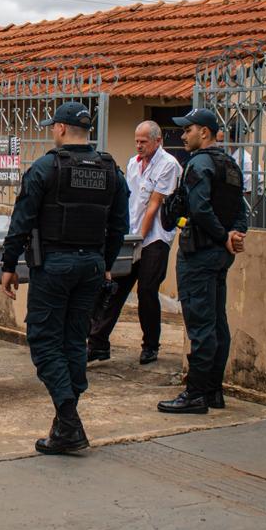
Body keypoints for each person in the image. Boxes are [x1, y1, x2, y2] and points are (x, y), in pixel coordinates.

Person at [0, 102, 129, 454]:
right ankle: (63, 426)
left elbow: (21, 220)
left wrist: (8, 264)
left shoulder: (46, 167)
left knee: (43, 340)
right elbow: (120, 223)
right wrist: (106, 262)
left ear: (59, 129)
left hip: (54, 265)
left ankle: (69, 421)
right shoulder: (110, 169)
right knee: (74, 341)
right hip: (91, 267)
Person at [158, 108, 247, 415]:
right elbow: (240, 209)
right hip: (220, 256)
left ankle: (195, 394)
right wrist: (235, 234)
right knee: (217, 323)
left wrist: (223, 236)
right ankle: (213, 392)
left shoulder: (198, 163)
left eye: (188, 130)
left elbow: (199, 208)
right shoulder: (230, 165)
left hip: (199, 253)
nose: (183, 135)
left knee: (201, 326)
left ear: (204, 133)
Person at [86, 120, 181, 365]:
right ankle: (97, 343)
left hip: (155, 237)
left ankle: (150, 345)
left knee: (147, 291)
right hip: (131, 236)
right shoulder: (132, 163)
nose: (139, 146)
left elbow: (154, 204)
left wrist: (139, 238)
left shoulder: (168, 165)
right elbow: (130, 201)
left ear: (157, 141)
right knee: (114, 288)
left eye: (143, 142)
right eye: (136, 141)